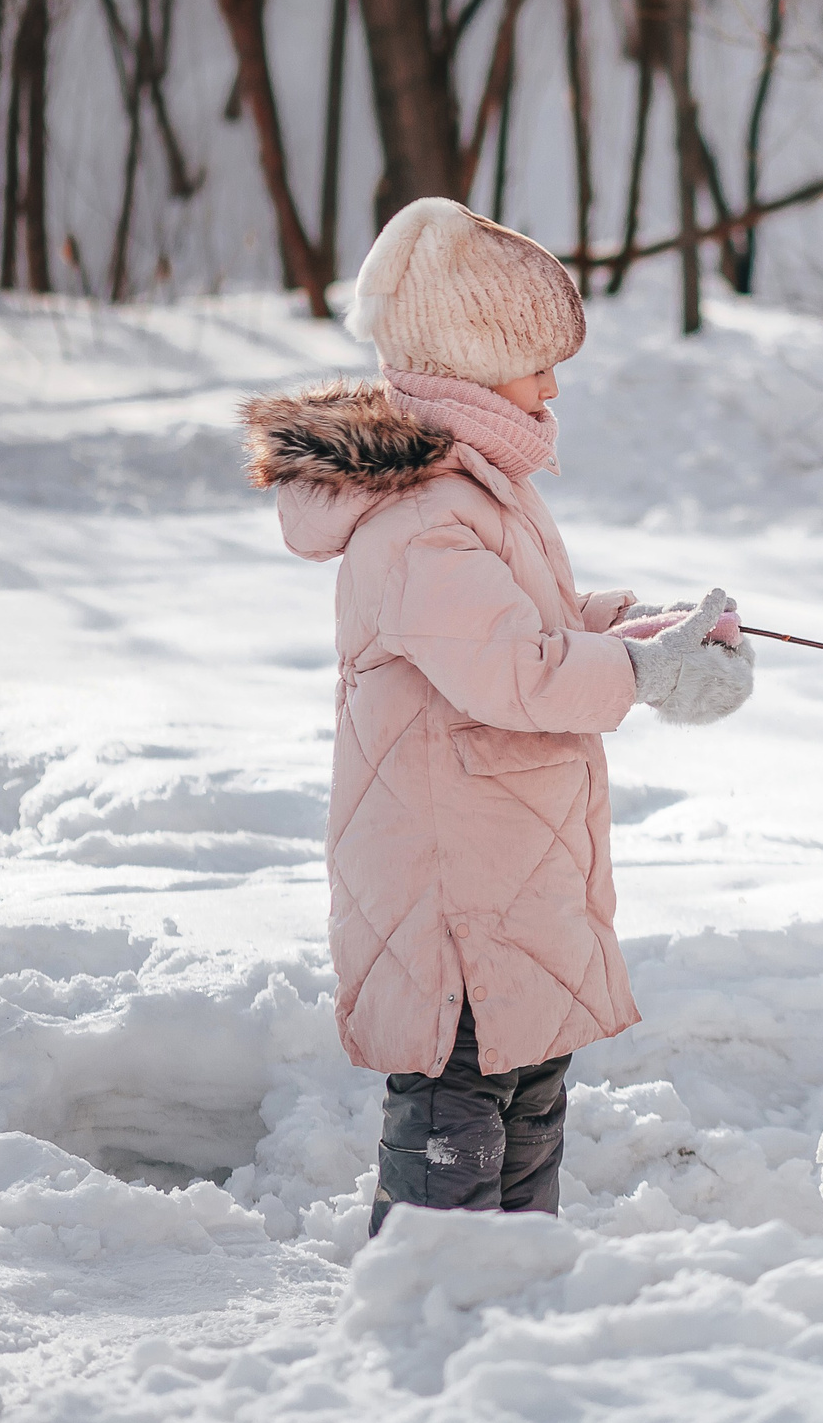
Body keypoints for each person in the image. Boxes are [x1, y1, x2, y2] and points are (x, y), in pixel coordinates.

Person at [240, 198, 755, 1235]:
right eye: (534, 364)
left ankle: (512, 1292)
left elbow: (534, 625)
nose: (552, 387)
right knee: (459, 1113)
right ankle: (429, 1296)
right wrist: (643, 673)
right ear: (468, 367)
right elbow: (510, 673)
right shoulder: (423, 517)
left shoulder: (473, 489)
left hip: (509, 870)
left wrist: (643, 630)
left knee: (527, 1100)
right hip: (454, 898)